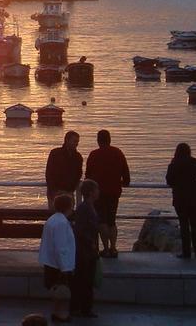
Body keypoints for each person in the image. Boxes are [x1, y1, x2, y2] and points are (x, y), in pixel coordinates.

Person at [84, 129, 129, 258]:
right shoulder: (118, 153)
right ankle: (114, 248)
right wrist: (123, 182)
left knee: (102, 221)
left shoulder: (94, 155)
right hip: (114, 192)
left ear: (98, 140)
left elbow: (88, 175)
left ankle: (106, 248)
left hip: (98, 193)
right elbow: (126, 174)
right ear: (110, 139)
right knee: (112, 221)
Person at [165, 142, 196, 259]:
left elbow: (169, 181)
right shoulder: (194, 162)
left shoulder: (174, 164)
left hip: (180, 200)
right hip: (195, 199)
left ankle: (186, 253)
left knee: (184, 226)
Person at [37, 193, 76, 323]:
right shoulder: (62, 223)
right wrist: (65, 267)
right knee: (62, 291)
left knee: (55, 290)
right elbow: (61, 247)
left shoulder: (53, 220)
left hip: (51, 261)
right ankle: (61, 314)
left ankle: (56, 312)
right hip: (59, 263)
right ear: (68, 207)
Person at [70, 180, 100, 319]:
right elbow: (80, 230)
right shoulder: (84, 209)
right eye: (96, 189)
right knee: (84, 279)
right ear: (90, 192)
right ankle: (82, 308)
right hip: (85, 251)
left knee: (85, 279)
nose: (98, 192)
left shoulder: (88, 207)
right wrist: (91, 243)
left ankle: (83, 307)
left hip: (88, 250)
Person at [45, 131, 83, 209]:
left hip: (68, 191)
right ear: (67, 140)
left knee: (66, 216)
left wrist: (70, 189)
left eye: (77, 141)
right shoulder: (55, 153)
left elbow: (79, 174)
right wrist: (53, 190)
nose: (76, 144)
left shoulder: (78, 157)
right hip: (55, 192)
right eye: (75, 141)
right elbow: (49, 173)